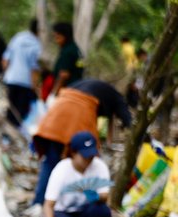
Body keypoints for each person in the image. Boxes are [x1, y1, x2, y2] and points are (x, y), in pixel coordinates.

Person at [29, 78, 131, 209]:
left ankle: (39, 203)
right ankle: (69, 206)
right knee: (82, 161)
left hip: (57, 111)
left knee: (51, 159)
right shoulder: (117, 98)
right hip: (78, 114)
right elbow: (129, 121)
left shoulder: (92, 85)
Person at [43, 131, 111, 217]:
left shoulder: (99, 166)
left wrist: (96, 196)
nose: (89, 160)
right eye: (85, 156)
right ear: (74, 153)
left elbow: (105, 195)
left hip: (85, 213)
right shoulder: (62, 169)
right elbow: (48, 204)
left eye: (91, 156)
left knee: (102, 211)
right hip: (65, 212)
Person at [2, 19, 41, 127]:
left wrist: (6, 75)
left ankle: (6, 136)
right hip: (25, 83)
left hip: (11, 79)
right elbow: (35, 68)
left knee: (10, 110)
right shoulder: (37, 44)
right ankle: (14, 136)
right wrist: (35, 87)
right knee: (20, 113)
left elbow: (5, 60)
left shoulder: (18, 37)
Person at [51, 22, 83, 96]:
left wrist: (54, 93)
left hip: (67, 91)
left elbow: (64, 75)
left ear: (65, 36)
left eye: (58, 38)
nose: (56, 41)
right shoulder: (76, 49)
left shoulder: (68, 52)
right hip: (77, 88)